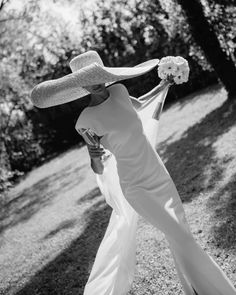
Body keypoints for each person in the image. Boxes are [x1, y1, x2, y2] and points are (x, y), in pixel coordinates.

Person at [31, 50, 236, 295]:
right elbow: (98, 166)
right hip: (135, 186)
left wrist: (164, 84)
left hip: (158, 173)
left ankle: (194, 288)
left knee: (180, 235)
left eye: (95, 77)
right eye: (85, 81)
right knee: (182, 238)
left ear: (104, 75)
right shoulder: (85, 121)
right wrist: (94, 157)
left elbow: (143, 104)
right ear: (79, 85)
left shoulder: (119, 91)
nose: (92, 85)